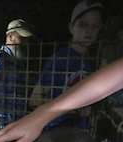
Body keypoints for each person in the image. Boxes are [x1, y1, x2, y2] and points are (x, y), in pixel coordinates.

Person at [30, 0, 103, 129]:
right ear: (71, 28)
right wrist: (72, 108)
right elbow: (35, 100)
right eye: (83, 25)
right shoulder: (60, 59)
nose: (89, 31)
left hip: (78, 134)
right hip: (55, 134)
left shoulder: (90, 62)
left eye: (95, 26)